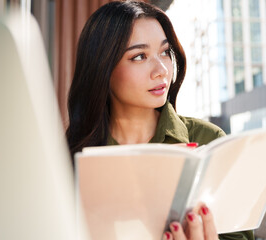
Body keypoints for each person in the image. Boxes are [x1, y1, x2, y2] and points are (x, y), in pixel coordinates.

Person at [66, 1, 254, 240]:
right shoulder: (69, 157)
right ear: (102, 68)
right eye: (139, 56)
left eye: (165, 52)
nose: (162, 70)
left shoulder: (209, 140)